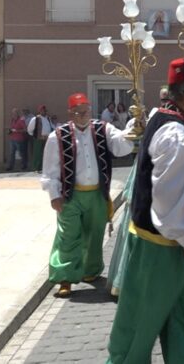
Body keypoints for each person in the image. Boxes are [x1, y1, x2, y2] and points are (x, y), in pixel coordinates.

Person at [107, 55, 184, 364]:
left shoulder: (169, 119)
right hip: (163, 248)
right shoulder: (178, 134)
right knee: (137, 329)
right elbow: (167, 204)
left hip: (172, 245)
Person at [41, 93, 134, 298]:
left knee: (95, 235)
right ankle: (64, 278)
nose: (83, 115)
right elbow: (50, 170)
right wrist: (54, 195)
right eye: (78, 112)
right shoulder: (58, 135)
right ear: (70, 113)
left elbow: (120, 147)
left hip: (96, 194)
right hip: (70, 195)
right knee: (68, 236)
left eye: (85, 111)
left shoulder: (103, 129)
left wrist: (132, 130)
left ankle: (90, 271)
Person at [27, 104, 54, 172]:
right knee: (37, 153)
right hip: (38, 138)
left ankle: (43, 167)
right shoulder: (35, 118)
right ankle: (36, 168)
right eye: (43, 110)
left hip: (47, 138)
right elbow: (30, 129)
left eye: (45, 111)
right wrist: (34, 135)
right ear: (40, 111)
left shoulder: (48, 118)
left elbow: (52, 126)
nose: (44, 112)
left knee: (45, 153)